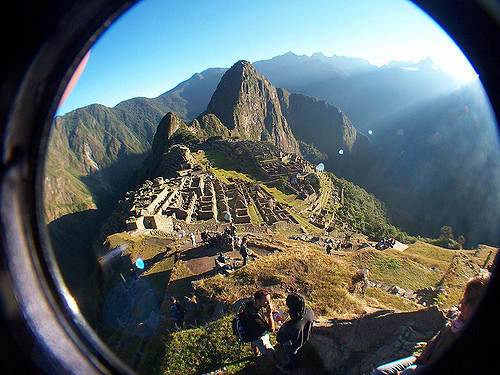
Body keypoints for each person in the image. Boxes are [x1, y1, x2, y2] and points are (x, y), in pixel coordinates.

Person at [371, 274, 490, 375]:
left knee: (410, 372)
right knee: (381, 372)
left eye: (467, 302)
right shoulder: (456, 323)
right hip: (422, 360)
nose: (462, 304)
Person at [240, 290, 290, 374]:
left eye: (269, 300)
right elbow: (271, 329)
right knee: (270, 351)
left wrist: (267, 312)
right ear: (258, 301)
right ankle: (278, 364)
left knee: (253, 341)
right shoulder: (255, 318)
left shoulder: (251, 305)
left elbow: (258, 312)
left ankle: (256, 354)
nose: (268, 303)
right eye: (266, 301)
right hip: (259, 335)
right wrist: (270, 315)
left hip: (251, 332)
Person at [276, 293, 315, 370]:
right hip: (306, 338)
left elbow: (279, 339)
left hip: (294, 345)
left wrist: (280, 329)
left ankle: (294, 365)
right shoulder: (309, 312)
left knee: (291, 353)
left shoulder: (289, 326)